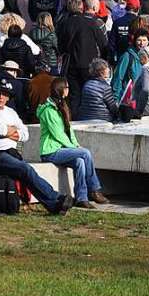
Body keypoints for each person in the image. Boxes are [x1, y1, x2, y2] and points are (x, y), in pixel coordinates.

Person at [0, 77, 73, 215]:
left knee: (27, 171)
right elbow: (0, 130)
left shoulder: (11, 112)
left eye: (4, 94)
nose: (0, 97)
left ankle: (54, 204)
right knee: (25, 169)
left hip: (10, 152)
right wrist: (10, 131)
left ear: (8, 97)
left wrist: (9, 131)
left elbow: (25, 134)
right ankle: (56, 199)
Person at [37, 77, 107, 209]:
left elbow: (69, 131)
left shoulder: (62, 106)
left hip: (62, 150)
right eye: (67, 87)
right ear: (61, 90)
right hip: (50, 151)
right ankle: (95, 189)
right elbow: (58, 134)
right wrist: (74, 147)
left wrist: (76, 144)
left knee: (80, 162)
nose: (68, 90)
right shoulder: (48, 110)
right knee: (85, 153)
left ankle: (81, 197)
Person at [57, 0, 107, 115]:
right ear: (82, 7)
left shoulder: (65, 23)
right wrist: (104, 60)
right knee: (89, 91)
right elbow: (103, 43)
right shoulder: (91, 22)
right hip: (89, 64)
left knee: (74, 94)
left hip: (72, 63)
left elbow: (61, 44)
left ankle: (73, 116)